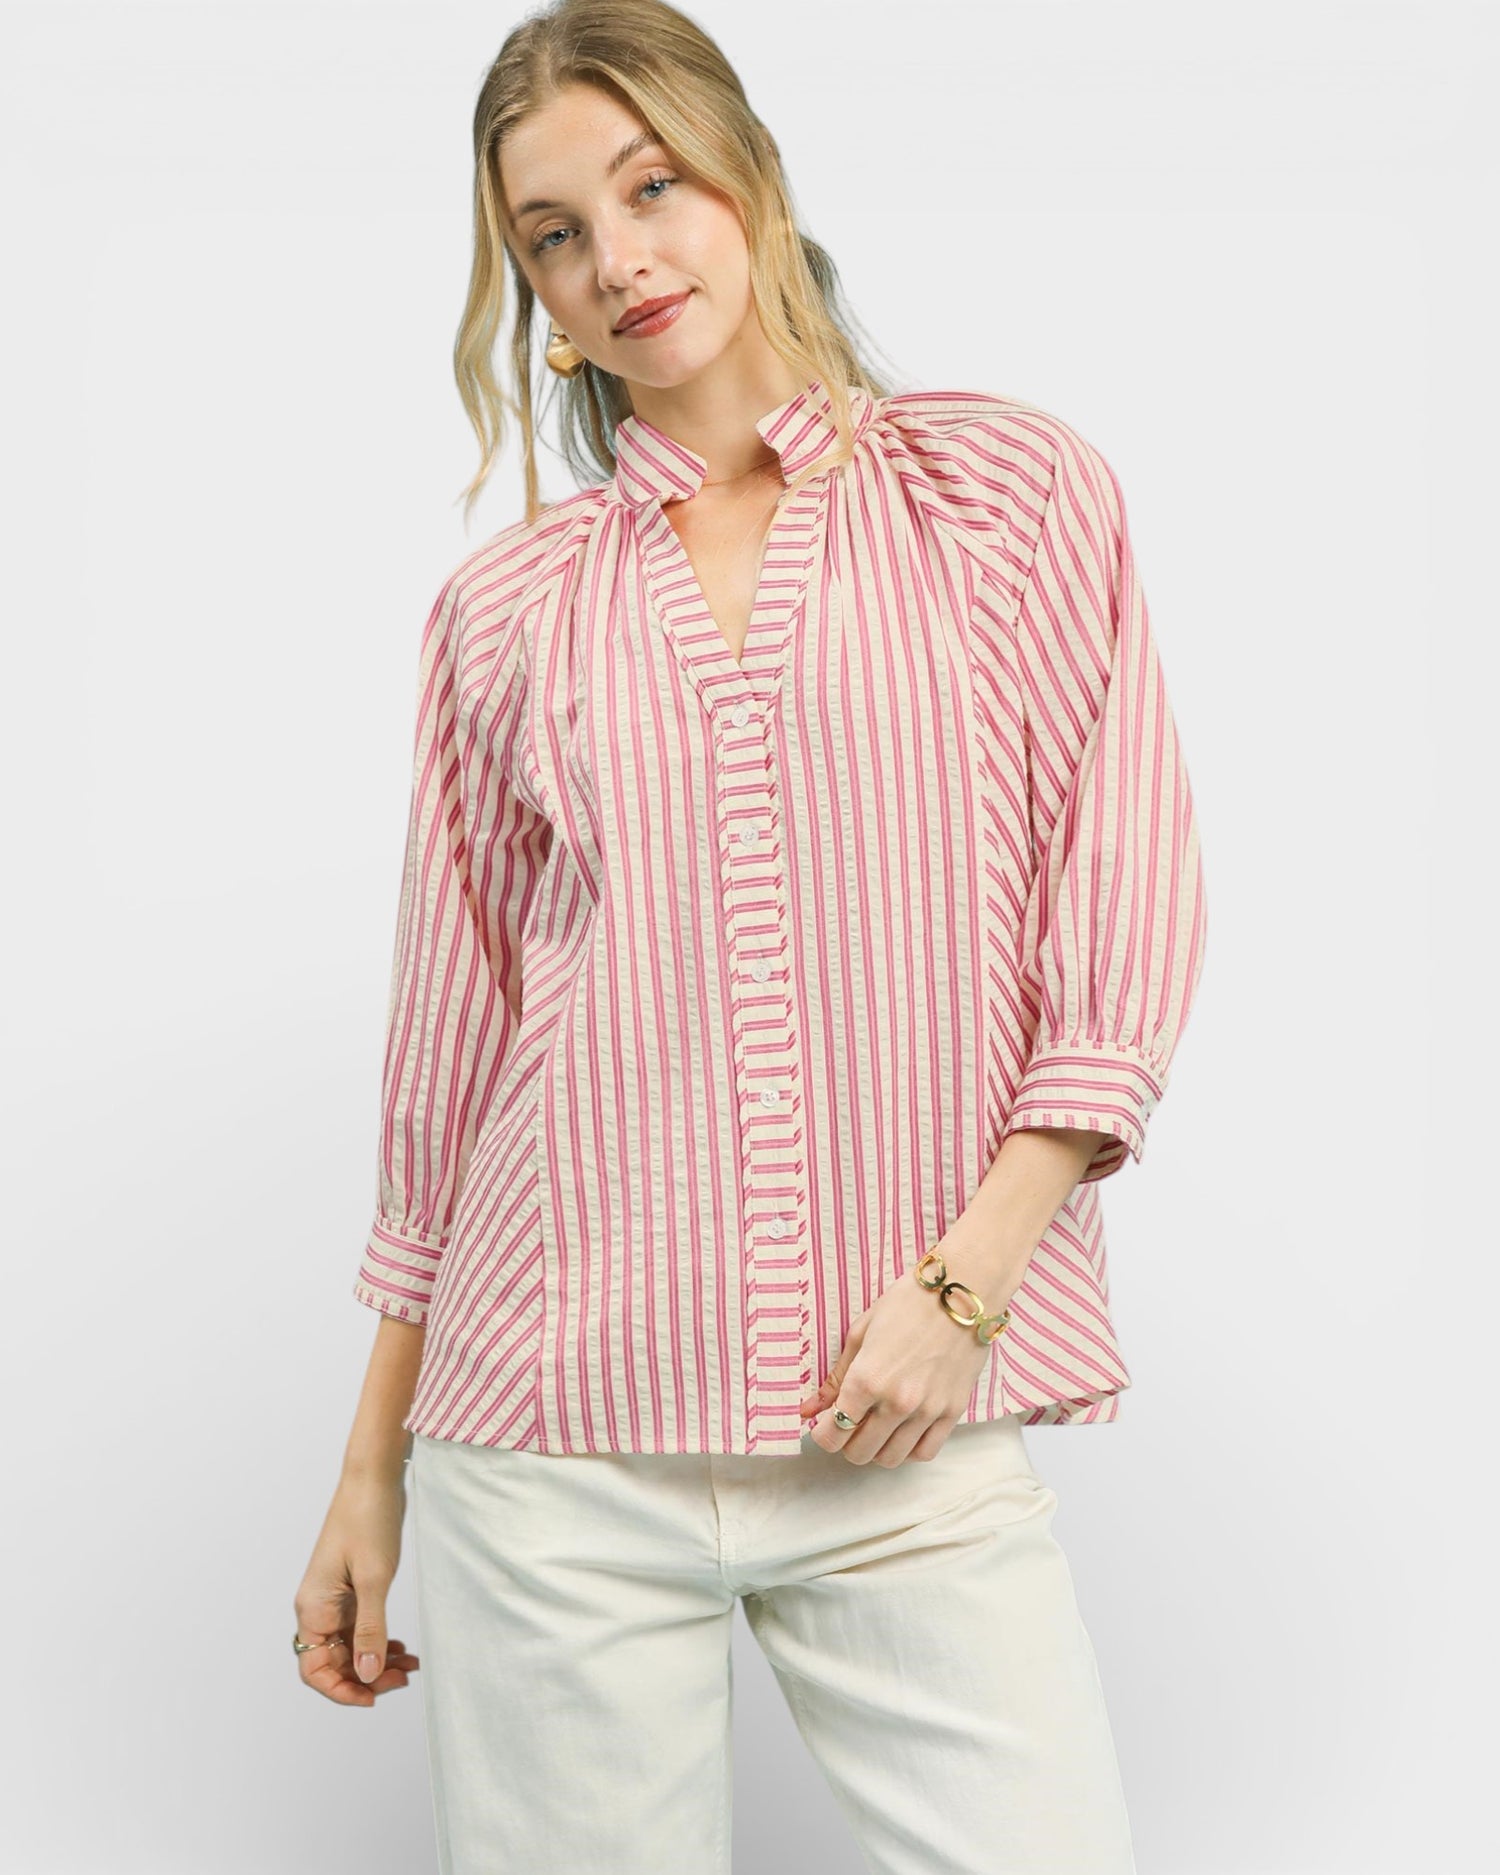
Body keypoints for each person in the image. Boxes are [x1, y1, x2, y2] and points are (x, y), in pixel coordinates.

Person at [292, 3, 1209, 1870]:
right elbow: (452, 1049)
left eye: (651, 186)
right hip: (551, 1443)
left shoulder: (1009, 498)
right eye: (553, 232)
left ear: (752, 182)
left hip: (907, 1440)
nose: (617, 258)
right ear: (529, 291)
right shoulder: (506, 613)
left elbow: (1121, 928)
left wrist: (966, 1293)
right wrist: (369, 1466)